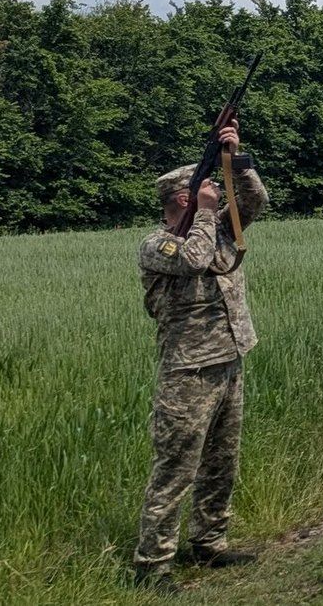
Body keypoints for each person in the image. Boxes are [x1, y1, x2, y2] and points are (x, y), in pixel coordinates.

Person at [133, 120, 268, 591]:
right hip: (187, 371)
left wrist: (235, 159)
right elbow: (192, 258)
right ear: (181, 201)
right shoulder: (157, 244)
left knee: (221, 460)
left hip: (228, 357)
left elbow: (254, 203)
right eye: (204, 190)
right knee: (175, 467)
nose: (214, 194)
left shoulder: (218, 231)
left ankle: (210, 543)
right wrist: (208, 213)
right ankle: (152, 565)